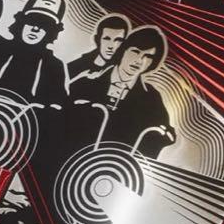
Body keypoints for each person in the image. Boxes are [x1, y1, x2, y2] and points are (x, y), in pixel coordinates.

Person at [69, 25, 176, 158]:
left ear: (153, 62)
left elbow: (164, 134)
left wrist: (161, 136)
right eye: (135, 51)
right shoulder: (87, 82)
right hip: (75, 159)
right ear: (123, 50)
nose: (140, 60)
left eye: (148, 56)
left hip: (117, 165)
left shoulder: (151, 98)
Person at [68, 14, 129, 80]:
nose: (111, 46)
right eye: (106, 39)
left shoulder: (123, 70)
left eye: (118, 40)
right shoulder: (76, 66)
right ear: (97, 40)